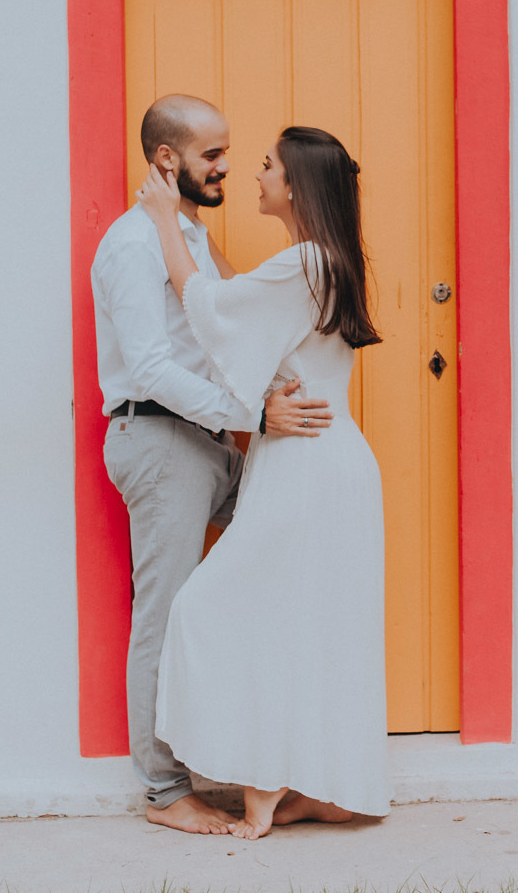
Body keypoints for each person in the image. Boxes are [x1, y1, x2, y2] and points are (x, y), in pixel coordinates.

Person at [91, 96, 335, 836]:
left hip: (210, 442)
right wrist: (254, 417)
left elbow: (226, 317)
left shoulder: (188, 234)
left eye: (231, 153)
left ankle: (257, 749)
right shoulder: (131, 246)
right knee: (164, 613)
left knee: (270, 571)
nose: (227, 166)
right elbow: (154, 368)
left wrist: (265, 390)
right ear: (167, 160)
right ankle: (166, 792)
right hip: (163, 441)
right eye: (212, 155)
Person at [138, 125, 391, 839]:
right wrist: (195, 232)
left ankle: (263, 784)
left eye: (269, 165)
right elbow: (238, 294)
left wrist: (165, 222)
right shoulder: (326, 259)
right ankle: (328, 789)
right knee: (312, 622)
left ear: (297, 184)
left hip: (307, 465)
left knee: (220, 611)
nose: (256, 173)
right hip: (332, 460)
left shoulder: (305, 262)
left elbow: (212, 309)